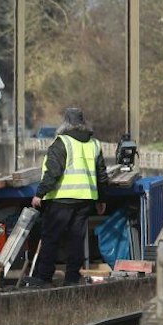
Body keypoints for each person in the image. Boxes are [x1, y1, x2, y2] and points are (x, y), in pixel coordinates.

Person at [25, 106, 110, 287]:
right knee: (76, 240)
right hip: (85, 200)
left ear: (66, 123)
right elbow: (101, 174)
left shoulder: (61, 142)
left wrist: (39, 194)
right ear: (82, 123)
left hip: (61, 200)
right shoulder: (94, 143)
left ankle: (44, 278)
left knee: (51, 238)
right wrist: (102, 199)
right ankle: (71, 278)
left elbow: (53, 172)